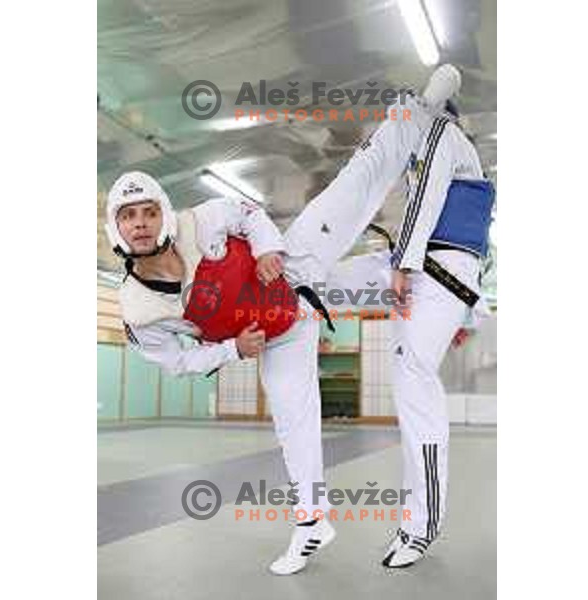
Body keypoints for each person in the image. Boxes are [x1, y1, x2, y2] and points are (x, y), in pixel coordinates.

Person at [104, 64, 462, 575]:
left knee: (354, 185)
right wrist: (233, 350)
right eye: (127, 216)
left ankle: (419, 111)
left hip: (294, 271)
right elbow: (179, 362)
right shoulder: (139, 310)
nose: (140, 224)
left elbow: (247, 211)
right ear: (116, 229)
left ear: (161, 212)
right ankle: (312, 522)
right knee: (293, 425)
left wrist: (269, 246)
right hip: (272, 338)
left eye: (147, 212)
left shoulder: (197, 220)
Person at [327, 97, 495, 568]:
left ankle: (422, 525)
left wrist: (404, 263)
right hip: (429, 270)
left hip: (433, 271)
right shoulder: (439, 155)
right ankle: (270, 298)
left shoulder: (443, 135)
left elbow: (428, 203)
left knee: (413, 381)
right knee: (320, 277)